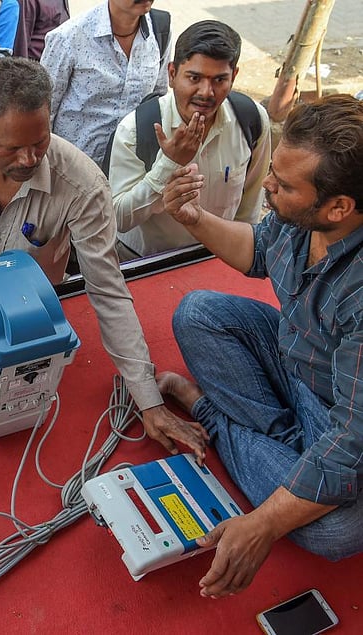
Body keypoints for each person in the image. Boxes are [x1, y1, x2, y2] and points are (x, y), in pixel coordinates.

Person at [0, 58, 208, 462]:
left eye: (40, 142)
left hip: (32, 332)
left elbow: (108, 292)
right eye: (12, 147)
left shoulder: (82, 185)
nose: (29, 159)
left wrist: (149, 402)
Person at [157, 94, 363, 598]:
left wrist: (264, 525)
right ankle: (285, 452)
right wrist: (193, 218)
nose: (266, 185)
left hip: (344, 414)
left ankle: (211, 414)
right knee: (199, 312)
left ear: (339, 207)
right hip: (296, 362)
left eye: (283, 184)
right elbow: (259, 251)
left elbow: (351, 444)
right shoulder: (304, 218)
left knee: (334, 532)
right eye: (272, 171)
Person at [109, 20, 271, 258]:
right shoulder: (135, 130)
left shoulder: (252, 120)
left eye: (219, 80)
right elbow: (118, 219)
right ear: (172, 74)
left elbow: (249, 206)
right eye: (194, 78)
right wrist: (168, 164)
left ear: (234, 76)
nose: (206, 92)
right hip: (145, 263)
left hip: (218, 257)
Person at [40, 0, 170, 166]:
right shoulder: (69, 37)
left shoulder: (160, 32)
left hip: (129, 172)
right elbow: (43, 111)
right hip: (73, 170)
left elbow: (157, 100)